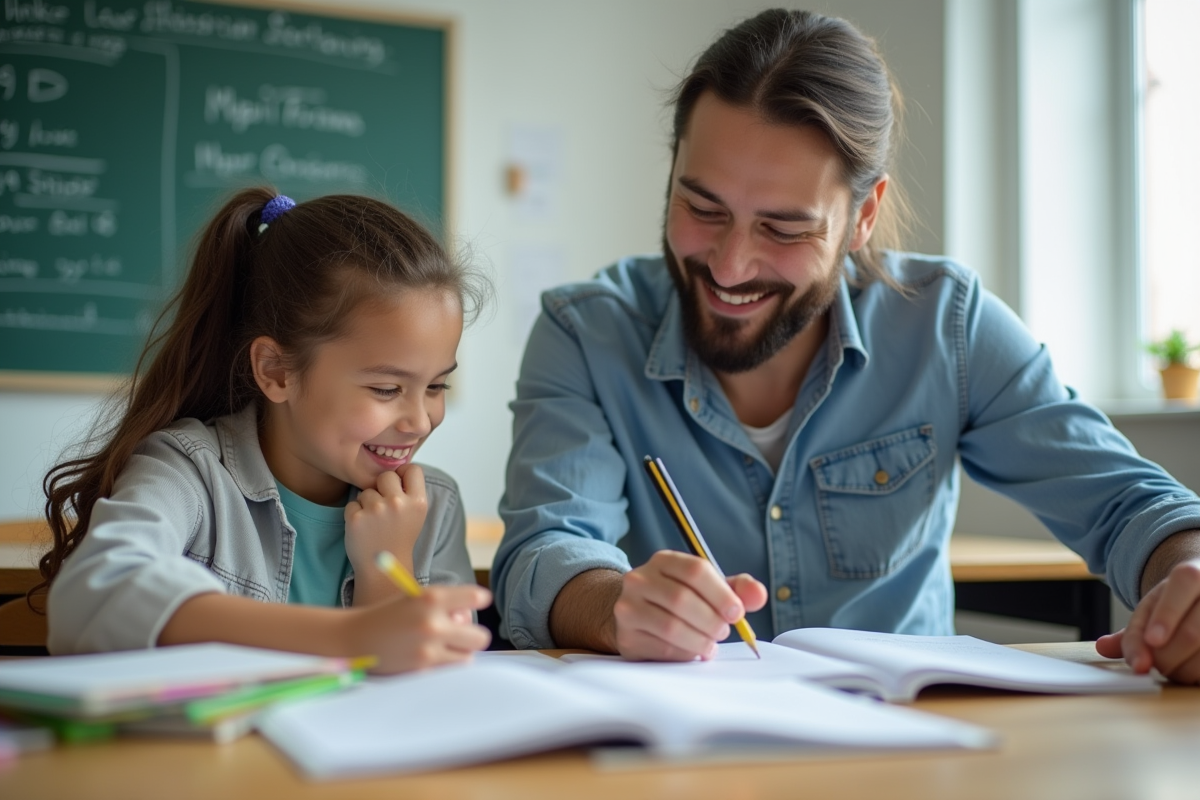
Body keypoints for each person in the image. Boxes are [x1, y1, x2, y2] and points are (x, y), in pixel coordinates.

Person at [493, 8, 1200, 683]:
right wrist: (615, 605)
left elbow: (1129, 505)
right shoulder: (586, 332)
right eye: (701, 207)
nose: (731, 265)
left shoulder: (945, 325)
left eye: (785, 228)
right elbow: (545, 552)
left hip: (907, 753)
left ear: (863, 215)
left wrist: (1187, 578)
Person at [41, 188, 492, 673]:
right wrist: (349, 637)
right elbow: (93, 593)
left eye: (437, 385)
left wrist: (390, 566)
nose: (420, 421)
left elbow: (435, 690)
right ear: (276, 371)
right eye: (385, 389)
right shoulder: (190, 471)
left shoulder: (434, 506)